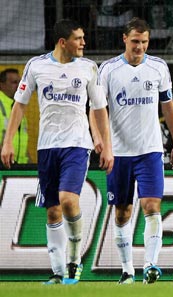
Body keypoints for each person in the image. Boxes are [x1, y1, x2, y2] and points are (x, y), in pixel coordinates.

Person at [0, 19, 114, 285]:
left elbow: (99, 110)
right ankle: (58, 273)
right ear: (63, 42)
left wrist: (106, 145)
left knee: (68, 200)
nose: (84, 43)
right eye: (78, 38)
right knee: (52, 211)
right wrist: (7, 142)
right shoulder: (37, 66)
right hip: (47, 147)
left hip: (77, 144)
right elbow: (19, 105)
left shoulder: (88, 68)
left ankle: (75, 259)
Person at [98, 17, 173, 285]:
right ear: (124, 39)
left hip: (150, 151)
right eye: (135, 41)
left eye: (144, 42)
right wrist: (102, 143)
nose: (140, 47)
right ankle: (127, 270)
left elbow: (168, 107)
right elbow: (99, 111)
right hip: (119, 153)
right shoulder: (108, 70)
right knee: (122, 211)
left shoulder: (158, 67)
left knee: (152, 205)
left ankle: (151, 265)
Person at [0, 68, 30, 163]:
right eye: (14, 82)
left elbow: (22, 140)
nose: (18, 86)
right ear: (2, 85)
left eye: (19, 82)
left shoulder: (16, 106)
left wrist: (29, 162)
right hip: (4, 165)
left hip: (20, 166)